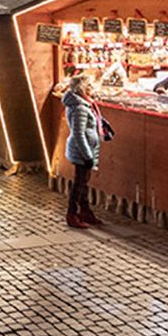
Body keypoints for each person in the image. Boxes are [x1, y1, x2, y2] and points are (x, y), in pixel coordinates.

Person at [62, 75, 105, 229]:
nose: (92, 89)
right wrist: (87, 156)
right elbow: (78, 134)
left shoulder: (83, 104)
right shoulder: (80, 108)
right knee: (79, 184)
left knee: (83, 182)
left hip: (84, 149)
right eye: (90, 86)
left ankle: (85, 211)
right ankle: (72, 214)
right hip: (81, 151)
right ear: (83, 89)